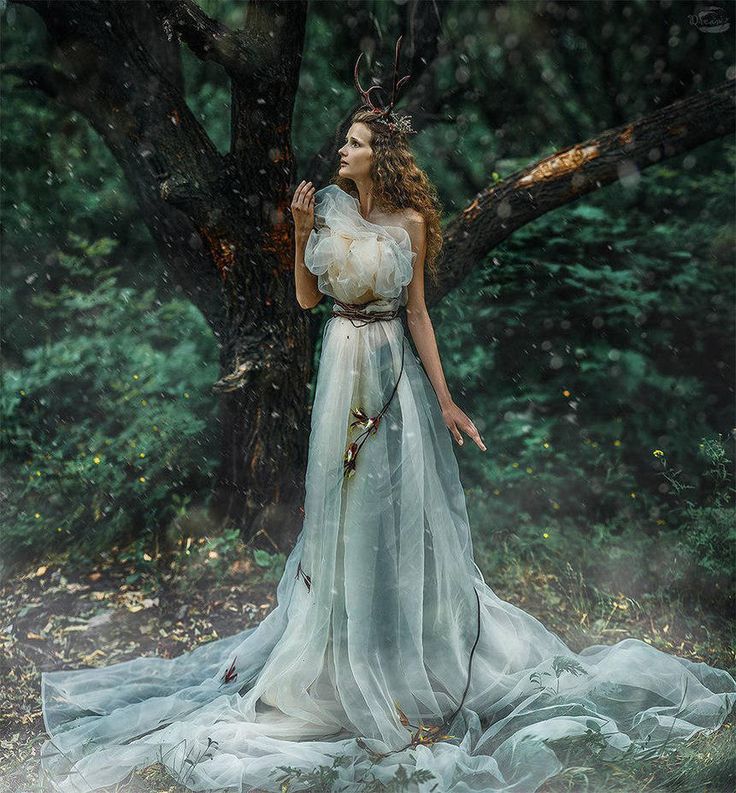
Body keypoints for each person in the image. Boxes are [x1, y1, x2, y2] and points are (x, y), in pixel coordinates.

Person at [37, 38, 735, 793]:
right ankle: (341, 656)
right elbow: (308, 303)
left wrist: (445, 396)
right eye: (346, 139)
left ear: (383, 156)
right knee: (341, 506)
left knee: (398, 506)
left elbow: (420, 313)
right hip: (341, 359)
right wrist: (302, 235)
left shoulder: (410, 224)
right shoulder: (329, 209)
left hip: (392, 368)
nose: (343, 149)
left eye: (357, 142)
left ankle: (405, 651)